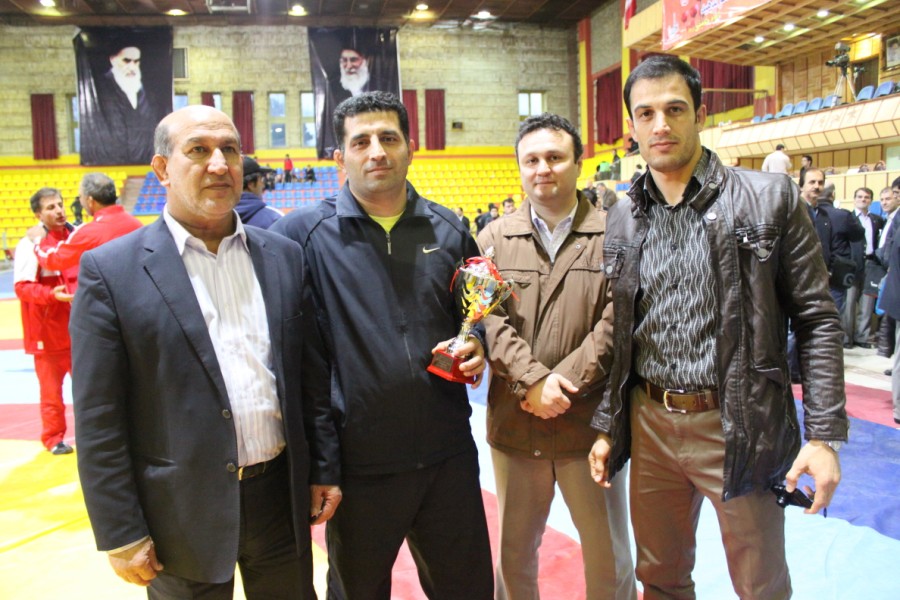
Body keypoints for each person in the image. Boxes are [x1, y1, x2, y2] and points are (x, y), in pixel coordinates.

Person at [588, 55, 848, 599]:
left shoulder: (769, 198)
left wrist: (824, 435)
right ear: (632, 126)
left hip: (739, 421)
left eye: (675, 109)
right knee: (659, 578)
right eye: (646, 113)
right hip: (650, 420)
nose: (661, 124)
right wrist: (611, 424)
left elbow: (818, 319)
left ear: (701, 114)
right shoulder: (623, 216)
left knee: (760, 586)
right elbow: (623, 328)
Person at [71, 105, 341, 597]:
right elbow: (98, 416)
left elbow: (310, 378)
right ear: (162, 169)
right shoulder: (111, 271)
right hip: (178, 511)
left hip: (279, 500)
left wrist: (322, 467)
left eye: (229, 150)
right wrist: (121, 529)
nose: (219, 164)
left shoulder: (283, 256)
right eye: (198, 150)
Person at [271, 91, 493, 600]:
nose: (377, 151)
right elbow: (296, 358)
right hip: (358, 466)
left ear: (410, 148)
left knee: (468, 589)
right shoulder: (300, 237)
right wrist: (321, 463)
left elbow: (473, 316)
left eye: (389, 138)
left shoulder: (450, 229)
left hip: (447, 455)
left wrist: (477, 343)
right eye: (361, 141)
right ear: (339, 157)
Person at [478, 113, 636, 600]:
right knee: (514, 558)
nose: (542, 168)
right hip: (516, 423)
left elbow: (618, 321)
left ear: (578, 163)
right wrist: (530, 381)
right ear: (519, 167)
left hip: (590, 427)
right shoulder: (492, 239)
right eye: (531, 160)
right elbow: (486, 320)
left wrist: (558, 385)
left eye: (554, 157)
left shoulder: (616, 235)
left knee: (609, 558)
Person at [13, 188, 78, 455]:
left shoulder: (76, 236)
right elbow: (22, 288)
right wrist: (52, 295)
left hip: (80, 330)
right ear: (38, 214)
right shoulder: (29, 244)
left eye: (60, 204)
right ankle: (54, 438)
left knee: (91, 391)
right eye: (51, 207)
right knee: (51, 393)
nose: (60, 210)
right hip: (47, 334)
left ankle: (93, 436)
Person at [32, 173, 143, 281]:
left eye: (80, 197)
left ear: (90, 201)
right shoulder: (137, 224)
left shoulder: (89, 233)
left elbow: (54, 260)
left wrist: (38, 241)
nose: (59, 211)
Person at [83, 44, 163, 165]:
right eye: (126, 60)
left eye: (136, 61)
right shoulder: (99, 88)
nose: (132, 66)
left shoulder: (147, 91)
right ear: (113, 60)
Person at [800, 168, 864, 313]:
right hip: (801, 280)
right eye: (812, 182)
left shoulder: (822, 214)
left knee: (829, 320)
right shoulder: (793, 211)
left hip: (825, 279)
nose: (817, 186)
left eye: (820, 182)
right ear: (801, 186)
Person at [844, 187, 884, 348]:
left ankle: (862, 337)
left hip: (870, 264)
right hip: (852, 264)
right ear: (854, 199)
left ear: (871, 201)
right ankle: (846, 338)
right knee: (849, 302)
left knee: (866, 302)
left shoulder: (877, 220)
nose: (863, 199)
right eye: (860, 197)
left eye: (866, 197)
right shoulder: (848, 218)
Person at [236, 156, 283, 229]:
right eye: (260, 180)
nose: (263, 185)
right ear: (251, 184)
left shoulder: (218, 218)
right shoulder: (273, 218)